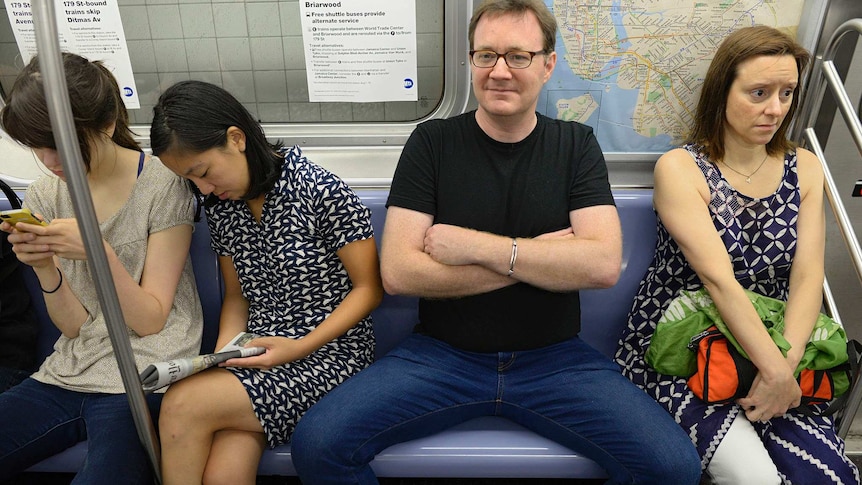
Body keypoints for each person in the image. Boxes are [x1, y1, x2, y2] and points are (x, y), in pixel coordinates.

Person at [290, 1, 703, 483]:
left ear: (548, 64)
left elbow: (601, 265)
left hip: (554, 359)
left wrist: (474, 247)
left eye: (517, 56)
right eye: (485, 55)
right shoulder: (432, 143)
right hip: (443, 356)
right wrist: (543, 257)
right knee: (318, 444)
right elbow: (400, 273)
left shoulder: (576, 146)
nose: (499, 71)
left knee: (673, 468)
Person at [615, 25, 859, 484]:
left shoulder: (804, 167)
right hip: (683, 347)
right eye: (759, 92)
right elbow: (719, 282)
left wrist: (782, 371)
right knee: (756, 479)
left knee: (830, 478)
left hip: (775, 342)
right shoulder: (682, 169)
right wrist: (774, 371)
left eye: (787, 93)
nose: (775, 109)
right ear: (721, 93)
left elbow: (807, 276)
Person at [149, 79, 383, 485]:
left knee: (182, 406)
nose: (204, 189)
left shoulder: (321, 191)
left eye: (203, 172)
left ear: (236, 139)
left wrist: (298, 347)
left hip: (330, 355)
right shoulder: (223, 206)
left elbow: (370, 289)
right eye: (192, 182)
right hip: (258, 352)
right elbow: (238, 298)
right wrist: (223, 356)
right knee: (224, 473)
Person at [0, 53, 202, 483]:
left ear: (106, 123)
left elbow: (150, 320)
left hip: (145, 371)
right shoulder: (44, 194)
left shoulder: (164, 185)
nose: (49, 158)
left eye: (61, 142)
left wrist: (99, 252)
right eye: (37, 144)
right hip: (71, 368)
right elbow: (73, 328)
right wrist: (43, 268)